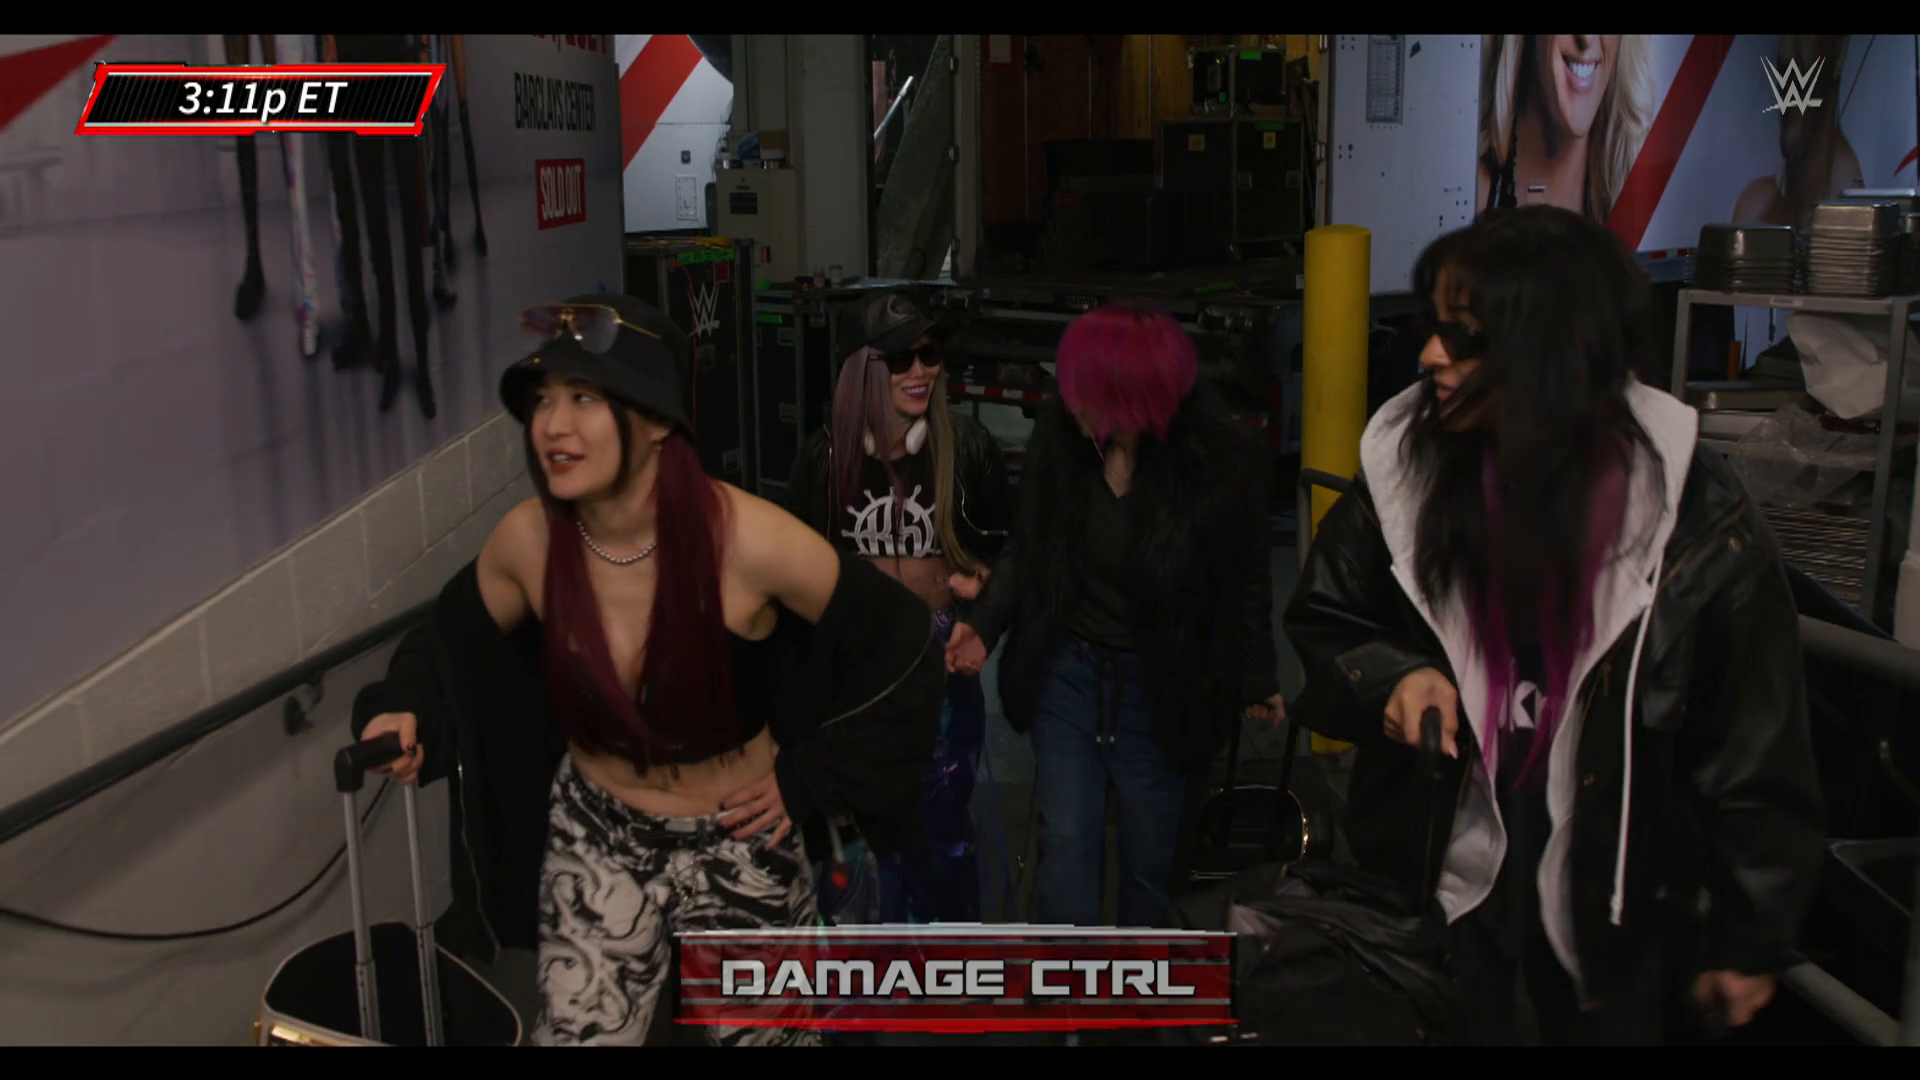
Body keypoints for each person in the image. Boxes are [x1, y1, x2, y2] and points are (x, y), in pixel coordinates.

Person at [1282, 205, 1825, 1045]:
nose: (1430, 355)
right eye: (1433, 328)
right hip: (1445, 902)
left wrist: (1750, 935)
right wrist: (1393, 676)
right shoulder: (1405, 475)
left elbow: (1756, 747)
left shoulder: (1694, 519)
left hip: (1614, 930)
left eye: (1465, 338)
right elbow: (1325, 619)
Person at [349, 294, 943, 1046]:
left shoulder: (751, 541)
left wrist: (808, 780)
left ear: (659, 420)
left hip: (738, 835)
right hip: (599, 832)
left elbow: (902, 646)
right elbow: (449, 642)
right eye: (543, 400)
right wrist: (405, 705)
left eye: (585, 399)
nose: (553, 426)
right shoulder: (528, 545)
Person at [947, 300, 1284, 930]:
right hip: (1068, 676)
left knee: (1149, 864)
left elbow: (1246, 580)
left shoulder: (1217, 466)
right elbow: (1026, 551)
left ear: (1132, 395)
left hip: (1162, 685)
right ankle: (1066, 983)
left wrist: (1257, 675)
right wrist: (984, 627)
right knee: (1066, 848)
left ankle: (1135, 985)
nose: (1068, 400)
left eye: (1084, 389)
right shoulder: (1063, 446)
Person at [785, 289, 1014, 924]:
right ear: (861, 369)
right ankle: (863, 975)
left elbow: (1012, 556)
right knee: (853, 848)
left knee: (939, 836)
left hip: (934, 668)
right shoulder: (825, 457)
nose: (920, 371)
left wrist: (981, 597)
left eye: (929, 354)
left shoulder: (966, 448)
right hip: (851, 677)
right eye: (899, 359)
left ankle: (943, 967)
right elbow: (789, 573)